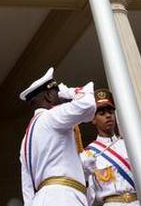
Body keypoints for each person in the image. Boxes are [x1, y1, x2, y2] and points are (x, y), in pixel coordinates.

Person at [19, 66, 95, 206]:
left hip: (42, 199)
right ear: (48, 96)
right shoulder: (51, 116)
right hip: (64, 197)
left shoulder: (25, 140)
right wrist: (71, 92)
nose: (61, 97)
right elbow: (88, 105)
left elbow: (27, 189)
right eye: (57, 93)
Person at [81, 88, 137, 205]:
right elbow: (88, 196)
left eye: (110, 112)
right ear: (93, 119)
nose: (108, 116)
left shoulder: (130, 145)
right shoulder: (88, 154)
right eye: (101, 113)